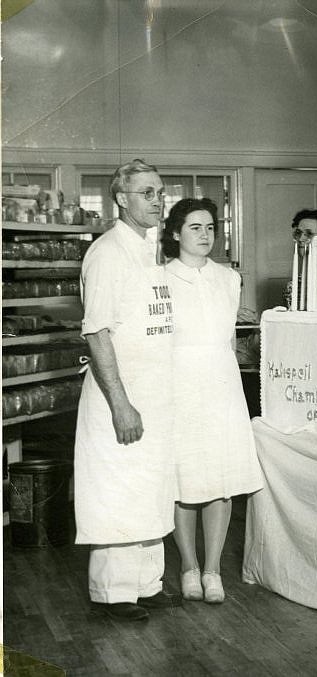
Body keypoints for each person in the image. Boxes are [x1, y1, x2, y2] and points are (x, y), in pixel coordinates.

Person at [74, 159, 180, 621]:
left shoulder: (149, 250)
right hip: (121, 398)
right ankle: (114, 593)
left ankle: (146, 584)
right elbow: (97, 334)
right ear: (121, 199)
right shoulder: (106, 253)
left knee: (152, 488)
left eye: (160, 192)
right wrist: (121, 404)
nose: (158, 201)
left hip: (155, 394)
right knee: (119, 491)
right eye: (147, 193)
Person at [162, 198, 264, 604]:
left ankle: (213, 570)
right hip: (179, 384)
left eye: (209, 228)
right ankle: (188, 566)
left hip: (222, 384)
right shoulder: (160, 278)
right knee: (184, 478)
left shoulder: (228, 278)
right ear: (175, 233)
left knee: (220, 480)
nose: (205, 235)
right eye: (195, 228)